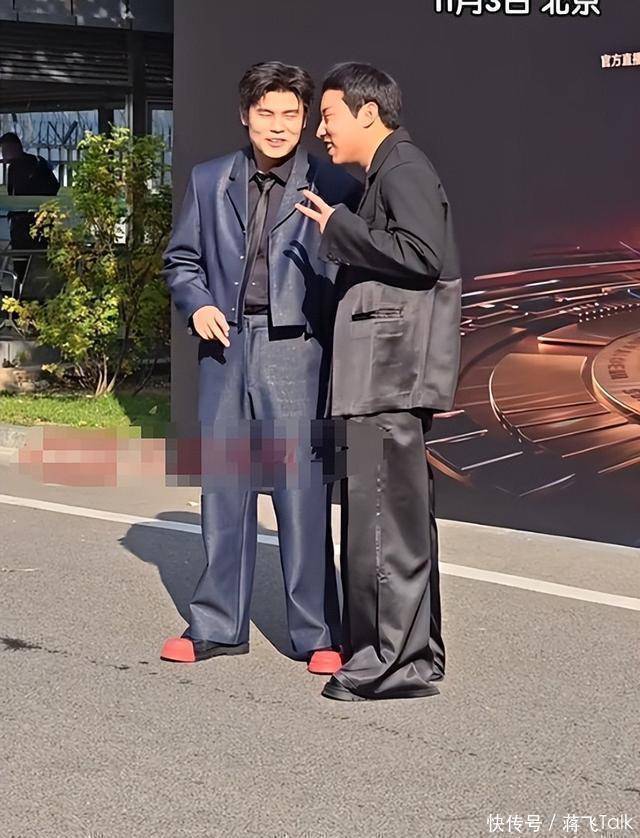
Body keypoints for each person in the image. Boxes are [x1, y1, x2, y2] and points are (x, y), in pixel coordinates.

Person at [162, 62, 361, 672]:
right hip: (224, 347)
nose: (278, 126)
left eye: (291, 115)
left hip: (298, 350)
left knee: (302, 492)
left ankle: (317, 632)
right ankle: (216, 624)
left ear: (305, 120)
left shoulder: (334, 182)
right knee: (224, 489)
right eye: (266, 113)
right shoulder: (208, 179)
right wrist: (198, 305)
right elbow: (181, 260)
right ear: (245, 115)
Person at [296, 62, 461, 701]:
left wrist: (337, 227)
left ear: (368, 113)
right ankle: (409, 656)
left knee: (383, 520)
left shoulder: (404, 168)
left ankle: (389, 663)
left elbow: (422, 256)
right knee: (392, 518)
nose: (320, 130)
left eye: (328, 116)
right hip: (383, 377)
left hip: (389, 376)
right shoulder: (388, 172)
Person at [0, 132, 59, 250]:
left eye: (4, 150)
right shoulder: (33, 162)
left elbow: (16, 194)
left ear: (14, 148)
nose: (3, 154)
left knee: (23, 255)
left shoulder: (23, 165)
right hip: (37, 220)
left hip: (27, 221)